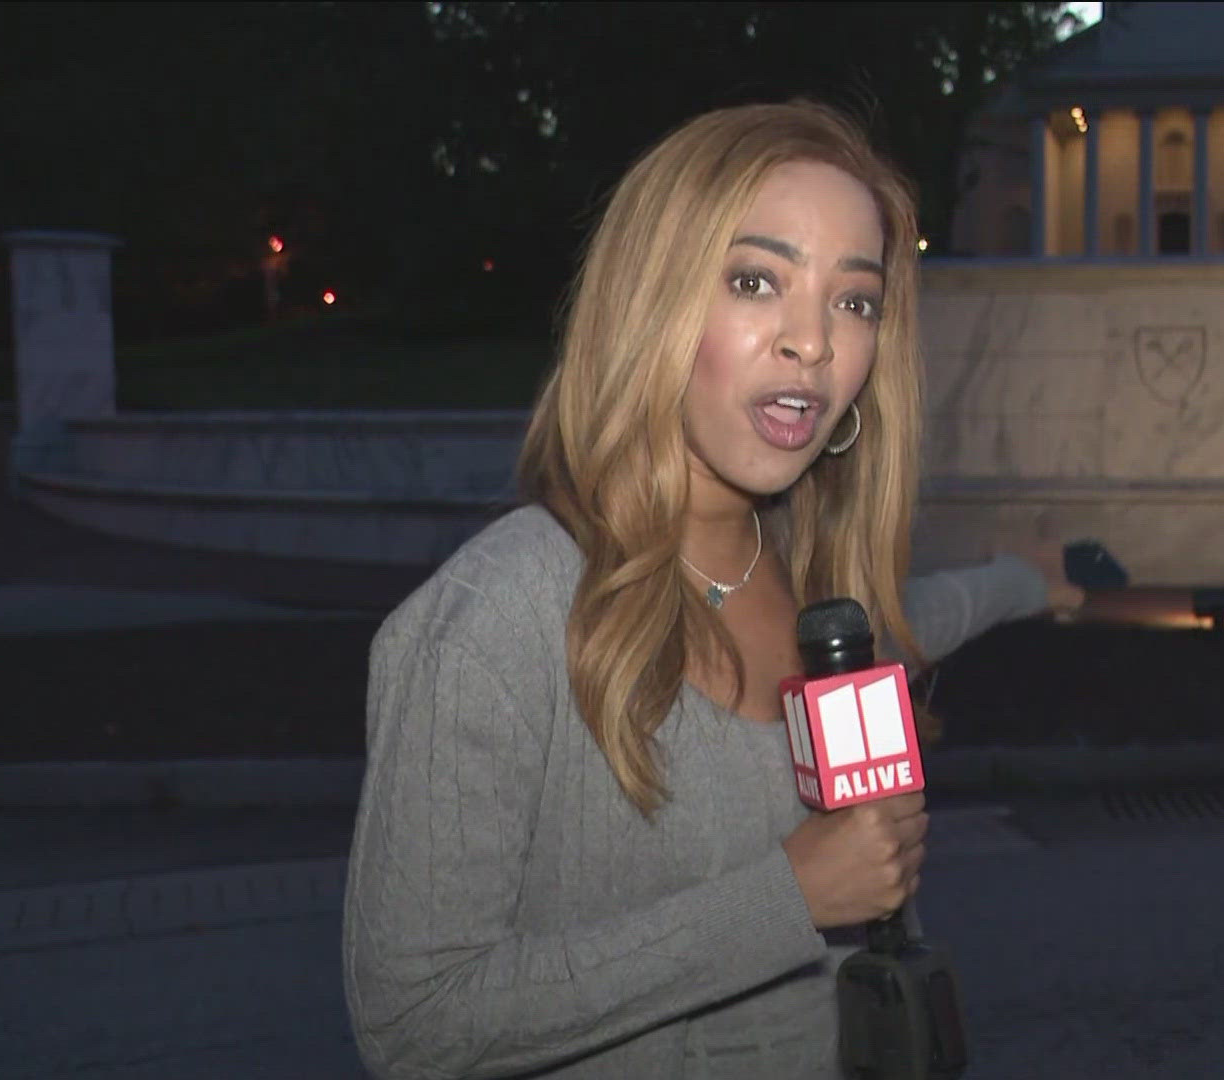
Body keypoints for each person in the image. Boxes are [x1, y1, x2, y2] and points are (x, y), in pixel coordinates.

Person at [341, 100, 1082, 1079]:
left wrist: (1031, 580)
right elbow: (413, 1020)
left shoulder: (828, 598)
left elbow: (925, 621)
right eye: (755, 280)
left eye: (854, 300)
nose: (812, 342)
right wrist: (788, 896)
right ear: (651, 305)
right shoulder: (495, 619)